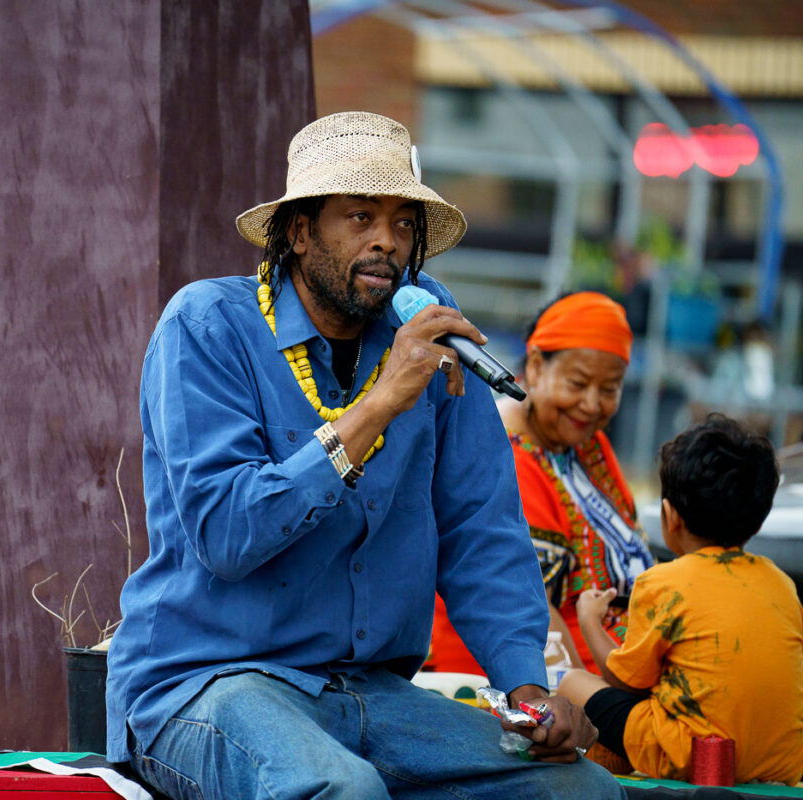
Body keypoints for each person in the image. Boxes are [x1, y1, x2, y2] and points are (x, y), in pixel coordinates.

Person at [105, 111, 619, 799]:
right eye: (359, 217)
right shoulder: (207, 325)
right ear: (298, 231)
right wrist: (380, 403)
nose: (387, 242)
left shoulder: (428, 335)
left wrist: (528, 689)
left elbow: (481, 532)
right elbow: (228, 534)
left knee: (576, 792)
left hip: (368, 691)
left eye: (404, 223)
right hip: (208, 682)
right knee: (339, 791)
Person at [558, 415, 803, 783]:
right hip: (781, 763)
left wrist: (590, 618)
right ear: (758, 518)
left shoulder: (663, 582)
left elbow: (627, 682)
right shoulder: (782, 585)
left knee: (571, 683)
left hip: (696, 756)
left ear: (670, 516)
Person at [428, 292, 655, 676]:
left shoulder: (586, 444)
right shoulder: (508, 455)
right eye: (578, 383)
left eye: (609, 389)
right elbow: (532, 612)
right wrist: (603, 705)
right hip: (555, 682)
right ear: (535, 367)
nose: (591, 404)